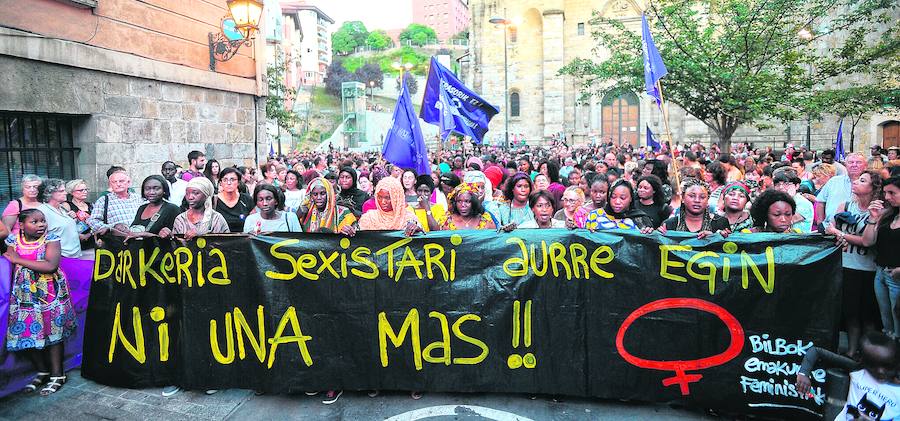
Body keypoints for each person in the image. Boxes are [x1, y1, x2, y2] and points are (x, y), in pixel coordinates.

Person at [4, 209, 77, 395]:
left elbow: (50, 265)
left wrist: (18, 259)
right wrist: (16, 259)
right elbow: (9, 257)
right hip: (24, 294)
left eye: (42, 221)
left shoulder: (51, 238)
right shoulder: (13, 240)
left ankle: (58, 375)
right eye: (34, 222)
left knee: (53, 333)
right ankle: (43, 370)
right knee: (27, 331)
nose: (41, 225)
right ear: (21, 225)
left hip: (50, 292)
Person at [824, 170, 883, 358]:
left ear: (873, 189)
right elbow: (829, 227)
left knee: (868, 315)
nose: (856, 182)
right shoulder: (846, 205)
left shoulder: (879, 211)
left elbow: (867, 241)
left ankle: (869, 354)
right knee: (850, 313)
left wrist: (841, 234)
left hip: (868, 269)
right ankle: (850, 350)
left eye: (862, 180)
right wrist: (837, 233)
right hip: (846, 266)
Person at [796, 332, 900, 420]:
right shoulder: (858, 370)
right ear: (861, 360)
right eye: (873, 365)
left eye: (887, 366)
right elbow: (816, 351)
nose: (881, 371)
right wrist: (803, 374)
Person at [861, 176, 900, 338]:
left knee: (897, 325)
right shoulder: (888, 215)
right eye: (885, 193)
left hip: (897, 276)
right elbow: (867, 241)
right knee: (887, 324)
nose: (887, 197)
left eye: (892, 193)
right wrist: (873, 218)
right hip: (881, 273)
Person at [660, 178, 730, 237]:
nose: (697, 200)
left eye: (702, 197)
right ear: (683, 198)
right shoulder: (670, 224)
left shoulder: (721, 223)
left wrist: (716, 238)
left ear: (707, 200)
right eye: (692, 196)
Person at [88, 167, 144, 239]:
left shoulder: (139, 198)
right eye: (114, 182)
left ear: (128, 182)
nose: (118, 184)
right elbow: (92, 221)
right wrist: (112, 227)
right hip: (117, 242)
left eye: (121, 181)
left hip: (140, 241)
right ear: (110, 184)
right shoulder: (103, 200)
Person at [358, 177, 423, 236]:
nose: (383, 202)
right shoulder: (369, 218)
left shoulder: (409, 218)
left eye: (388, 198)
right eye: (379, 197)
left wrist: (416, 230)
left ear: (397, 198)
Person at [816, 152, 867, 226]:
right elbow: (821, 202)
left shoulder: (870, 183)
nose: (854, 165)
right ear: (845, 165)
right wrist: (820, 222)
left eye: (858, 162)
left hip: (857, 229)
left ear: (865, 166)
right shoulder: (834, 181)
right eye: (850, 162)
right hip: (830, 228)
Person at [37, 179, 82, 258]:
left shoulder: (62, 208)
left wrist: (74, 219)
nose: (65, 193)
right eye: (61, 191)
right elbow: (40, 237)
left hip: (75, 255)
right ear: (49, 193)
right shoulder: (42, 211)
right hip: (59, 257)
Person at [126, 175, 181, 241]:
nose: (151, 192)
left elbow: (177, 238)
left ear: (164, 190)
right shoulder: (142, 208)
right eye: (147, 189)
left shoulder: (172, 209)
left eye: (156, 188)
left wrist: (146, 235)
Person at [584, 179, 652, 231]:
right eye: (613, 197)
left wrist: (649, 233)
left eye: (622, 198)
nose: (617, 202)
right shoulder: (594, 215)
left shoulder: (641, 219)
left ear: (631, 198)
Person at [214, 167, 254, 233]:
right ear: (220, 183)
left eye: (232, 179)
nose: (229, 183)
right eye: (225, 180)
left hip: (243, 240)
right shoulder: (213, 201)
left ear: (238, 182)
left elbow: (254, 222)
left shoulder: (246, 199)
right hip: (220, 241)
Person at [60, 179, 94, 254]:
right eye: (81, 190)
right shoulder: (66, 205)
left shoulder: (91, 205)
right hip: (75, 244)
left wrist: (89, 234)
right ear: (72, 192)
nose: (84, 192)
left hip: (92, 242)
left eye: (86, 189)